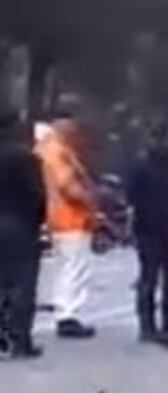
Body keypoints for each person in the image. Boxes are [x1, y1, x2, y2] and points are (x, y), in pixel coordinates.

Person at [34, 111, 98, 339]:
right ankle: (68, 315)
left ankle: (66, 313)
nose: (74, 128)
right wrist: (89, 201)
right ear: (58, 124)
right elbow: (67, 184)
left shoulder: (46, 148)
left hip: (58, 218)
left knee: (66, 267)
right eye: (70, 123)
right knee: (74, 267)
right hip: (70, 217)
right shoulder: (56, 150)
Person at [126, 121, 168, 343]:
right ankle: (149, 325)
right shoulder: (143, 164)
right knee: (151, 278)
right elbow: (131, 196)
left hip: (164, 226)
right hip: (151, 227)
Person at [0, 109, 46, 359]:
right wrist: (37, 222)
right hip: (19, 226)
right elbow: (37, 196)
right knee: (22, 285)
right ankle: (20, 340)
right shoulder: (25, 158)